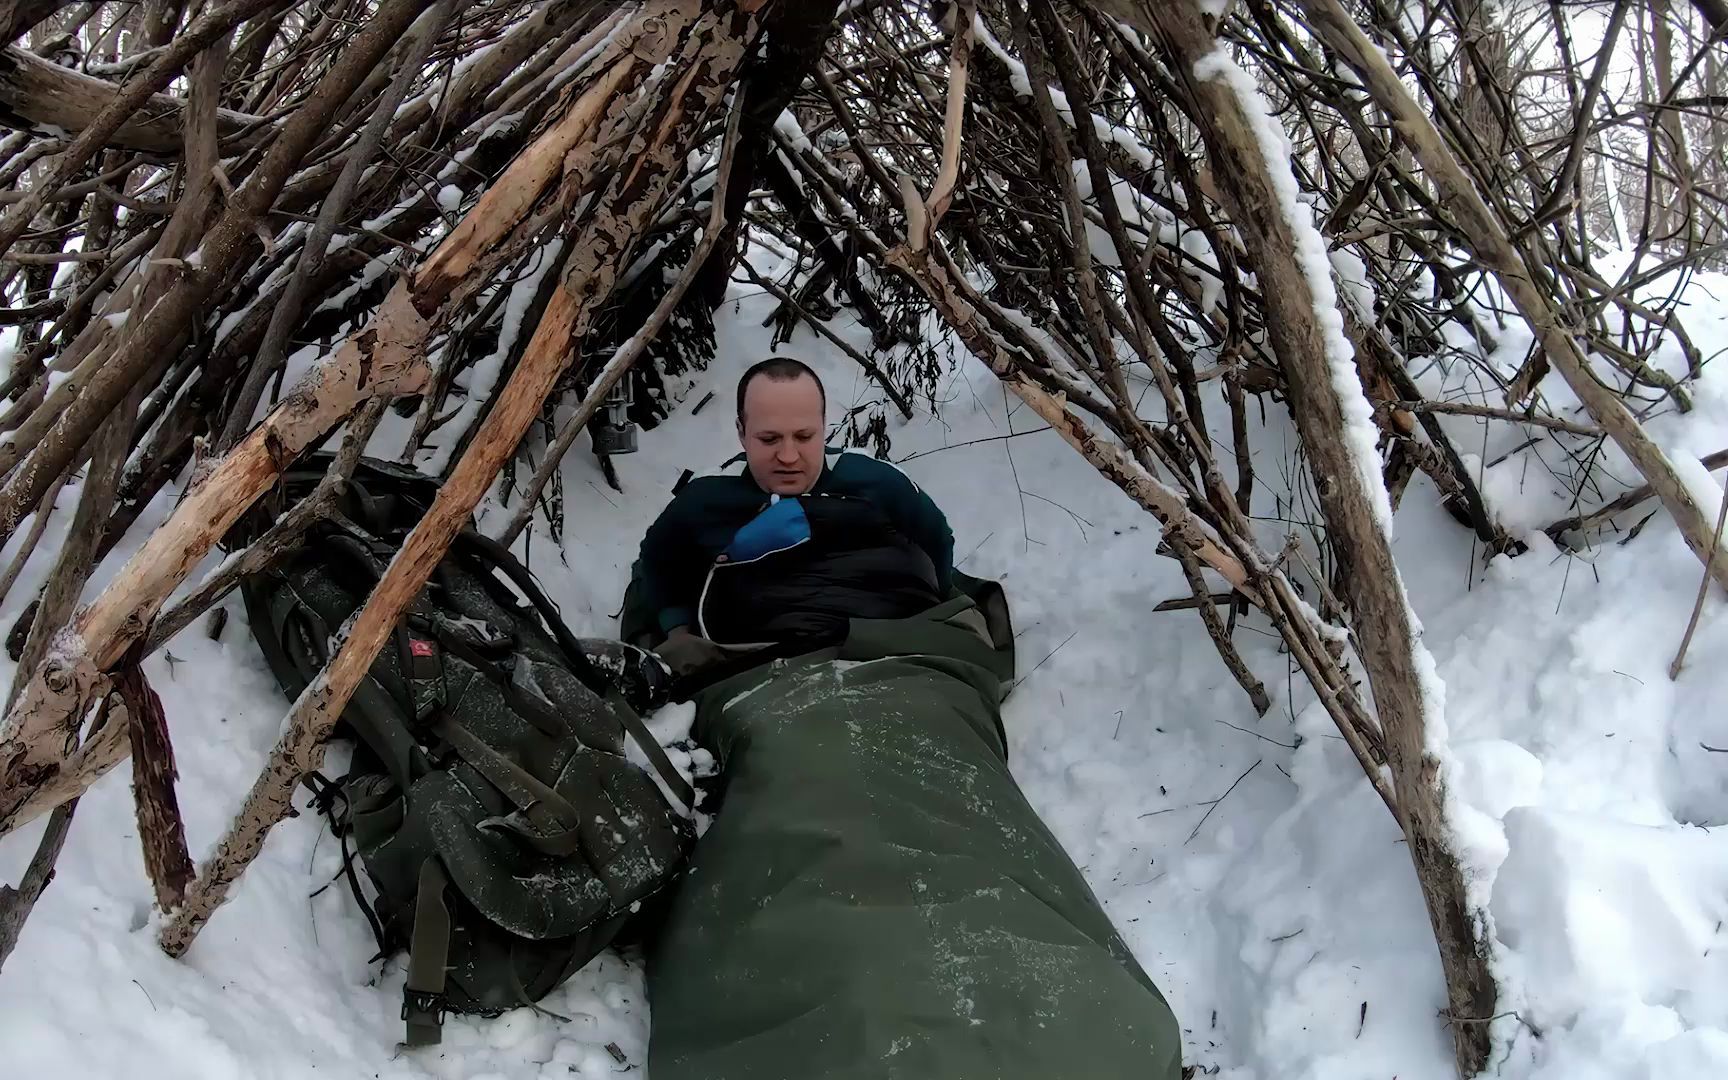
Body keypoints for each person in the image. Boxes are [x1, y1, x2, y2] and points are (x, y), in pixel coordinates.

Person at [634, 357, 953, 677]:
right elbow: (657, 558)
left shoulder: (877, 484)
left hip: (876, 658)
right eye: (769, 439)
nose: (788, 457)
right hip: (754, 671)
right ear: (742, 433)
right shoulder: (706, 497)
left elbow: (937, 541)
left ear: (824, 428)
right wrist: (677, 629)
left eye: (804, 437)